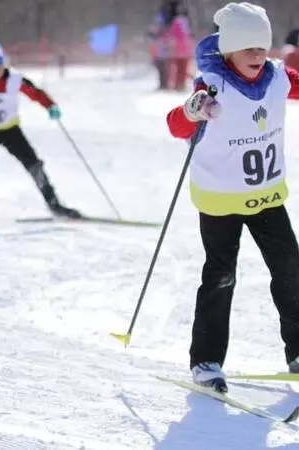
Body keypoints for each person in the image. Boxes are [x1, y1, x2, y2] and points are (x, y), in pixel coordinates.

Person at [165, 2, 299, 393]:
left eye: (262, 47)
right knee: (221, 276)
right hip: (221, 198)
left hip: (266, 196)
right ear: (228, 51)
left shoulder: (277, 77)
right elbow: (176, 125)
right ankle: (206, 361)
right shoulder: (212, 85)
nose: (257, 56)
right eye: (247, 49)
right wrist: (193, 110)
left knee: (291, 270)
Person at [0, 38, 81, 236]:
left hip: (10, 129)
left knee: (34, 164)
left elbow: (35, 93)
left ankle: (54, 204)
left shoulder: (15, 78)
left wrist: (50, 106)